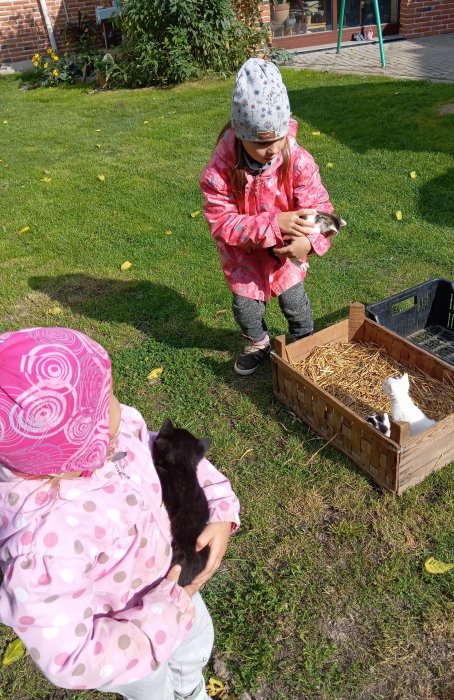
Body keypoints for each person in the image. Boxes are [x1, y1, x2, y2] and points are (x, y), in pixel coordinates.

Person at [0, 327, 240, 700]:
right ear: (80, 445)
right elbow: (72, 658)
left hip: (174, 583)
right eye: (104, 402)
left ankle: (191, 689)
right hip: (128, 639)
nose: (118, 405)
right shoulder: (40, 545)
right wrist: (163, 614)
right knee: (153, 691)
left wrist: (220, 506)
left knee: (194, 649)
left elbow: (173, 457)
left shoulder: (116, 433)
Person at [200, 57, 335, 376]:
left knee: (295, 302)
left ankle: (304, 342)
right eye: (261, 143)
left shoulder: (297, 160)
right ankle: (258, 342)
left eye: (277, 138)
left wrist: (308, 243)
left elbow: (322, 212)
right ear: (240, 134)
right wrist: (274, 224)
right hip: (244, 255)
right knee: (245, 307)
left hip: (286, 254)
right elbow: (221, 223)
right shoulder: (221, 171)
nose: (272, 149)